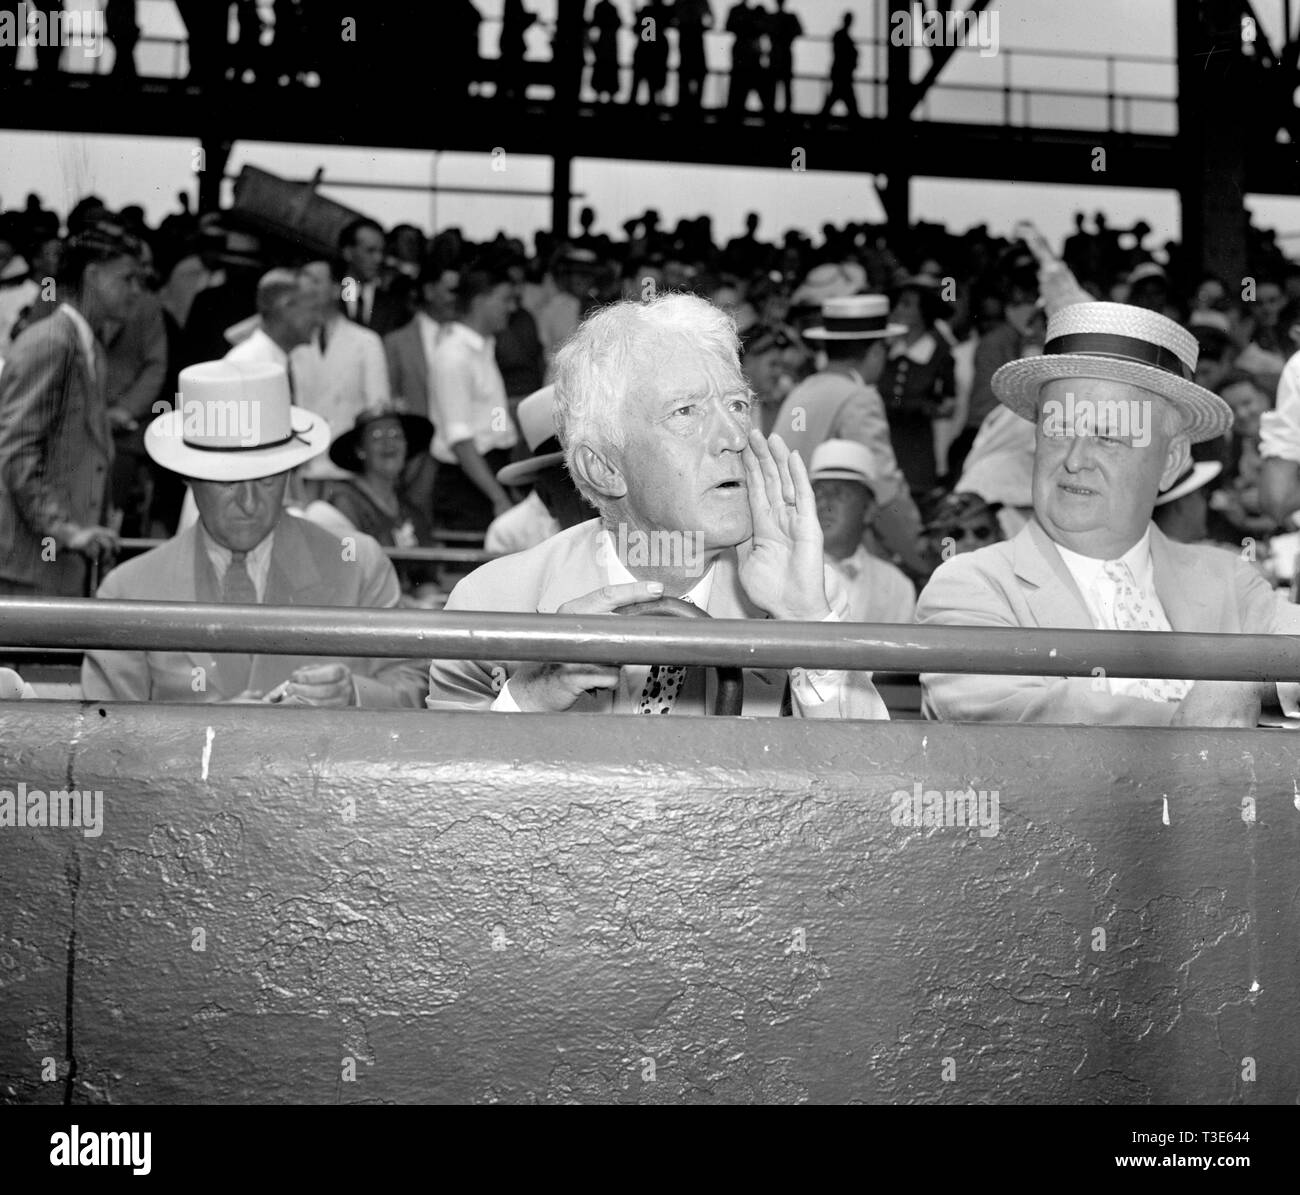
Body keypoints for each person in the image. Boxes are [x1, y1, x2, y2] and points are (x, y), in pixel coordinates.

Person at [427, 293, 888, 719]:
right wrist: (529, 696)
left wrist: (808, 628)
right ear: (603, 468)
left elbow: (870, 788)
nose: (733, 438)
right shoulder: (491, 606)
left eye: (738, 406)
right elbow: (440, 801)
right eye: (686, 412)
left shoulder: (805, 592)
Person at [916, 301, 1300, 727]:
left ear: (1171, 462)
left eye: (1108, 436)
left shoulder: (1227, 579)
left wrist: (1241, 683)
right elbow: (1018, 717)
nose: (1076, 459)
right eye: (1058, 429)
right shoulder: (972, 586)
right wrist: (1207, 707)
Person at [82, 360, 428, 707]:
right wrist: (208, 732)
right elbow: (106, 740)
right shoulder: (126, 593)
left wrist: (355, 694)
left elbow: (413, 687)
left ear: (291, 472)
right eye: (227, 482)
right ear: (187, 478)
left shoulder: (360, 567)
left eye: (267, 479)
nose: (249, 504)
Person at [0, 219, 145, 597]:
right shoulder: (51, 344)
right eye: (127, 278)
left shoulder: (86, 345)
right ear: (93, 276)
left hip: (55, 565)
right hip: (29, 568)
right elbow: (15, 450)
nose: (136, 291)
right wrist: (66, 530)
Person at [771, 294, 927, 574]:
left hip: (787, 545)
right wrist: (919, 556)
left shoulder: (803, 389)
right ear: (877, 350)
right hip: (831, 558)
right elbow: (884, 490)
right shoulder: (859, 398)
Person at [429, 264, 519, 531]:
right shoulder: (453, 355)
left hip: (493, 470)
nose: (511, 308)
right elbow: (460, 440)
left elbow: (494, 418)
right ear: (480, 301)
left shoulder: (485, 347)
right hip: (467, 481)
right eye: (505, 299)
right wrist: (498, 497)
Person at [290, 259, 391, 493]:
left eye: (315, 281)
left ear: (336, 289)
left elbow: (377, 411)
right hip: (304, 472)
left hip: (348, 474)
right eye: (302, 281)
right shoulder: (294, 343)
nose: (307, 288)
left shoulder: (366, 342)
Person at [323, 404, 441, 599]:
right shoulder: (345, 502)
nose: (389, 443)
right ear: (361, 450)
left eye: (396, 435)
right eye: (377, 437)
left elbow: (425, 576)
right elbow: (349, 575)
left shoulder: (410, 509)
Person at [809, 440, 916, 623]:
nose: (825, 504)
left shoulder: (896, 585)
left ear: (869, 510)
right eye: (818, 493)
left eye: (839, 494)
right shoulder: (782, 570)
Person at [485, 384, 596, 555]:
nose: (593, 501)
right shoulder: (509, 533)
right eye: (576, 487)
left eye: (597, 480)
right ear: (547, 498)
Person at [879, 275, 957, 498]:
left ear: (923, 311)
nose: (897, 310)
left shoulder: (940, 355)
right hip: (885, 444)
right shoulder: (886, 352)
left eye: (906, 304)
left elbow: (948, 405)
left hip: (919, 448)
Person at [224, 267, 321, 373]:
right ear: (286, 306)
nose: (318, 320)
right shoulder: (244, 366)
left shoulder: (298, 363)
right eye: (313, 309)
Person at [338, 218, 410, 336]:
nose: (378, 258)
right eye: (370, 251)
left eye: (381, 252)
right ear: (348, 253)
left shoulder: (394, 307)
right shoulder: (330, 297)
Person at [820, 11, 859, 119]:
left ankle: (819, 124)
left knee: (834, 99)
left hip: (839, 73)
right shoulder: (844, 37)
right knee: (850, 103)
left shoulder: (839, 35)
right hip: (843, 75)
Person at [767, 0, 801, 114]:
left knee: (774, 84)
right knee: (784, 84)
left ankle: (773, 110)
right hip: (784, 53)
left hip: (777, 53)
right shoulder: (790, 17)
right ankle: (786, 111)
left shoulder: (772, 17)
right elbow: (799, 31)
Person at [589, 0, 623, 102]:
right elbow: (618, 23)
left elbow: (594, 22)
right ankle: (610, 96)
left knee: (601, 67)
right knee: (609, 68)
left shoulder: (599, 7)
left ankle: (599, 94)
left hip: (603, 41)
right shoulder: (612, 8)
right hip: (609, 42)